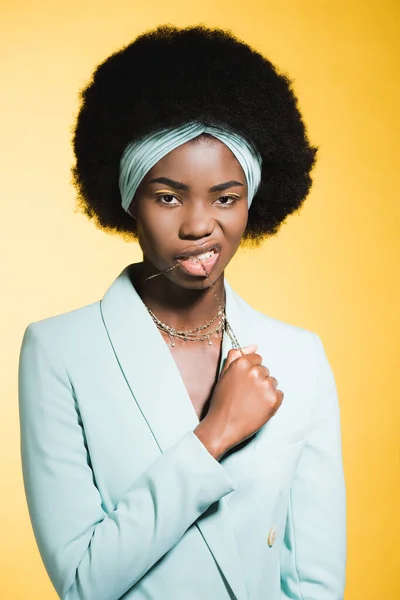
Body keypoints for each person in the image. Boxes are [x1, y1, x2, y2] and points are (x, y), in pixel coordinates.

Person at [18, 24, 346, 600]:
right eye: (168, 196)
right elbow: (81, 583)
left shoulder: (301, 358)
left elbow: (315, 581)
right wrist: (214, 434)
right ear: (127, 200)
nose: (199, 225)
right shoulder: (59, 354)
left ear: (253, 201)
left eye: (226, 197)